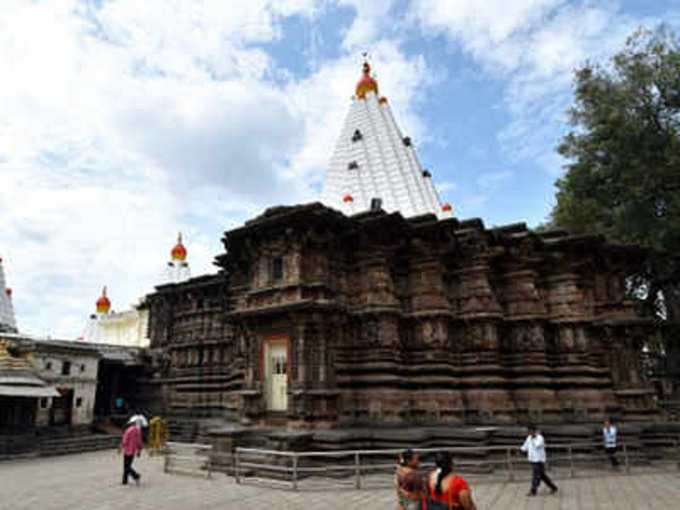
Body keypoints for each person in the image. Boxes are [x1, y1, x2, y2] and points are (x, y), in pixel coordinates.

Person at [521, 425, 558, 497]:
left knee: (536, 475)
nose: (530, 433)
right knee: (542, 475)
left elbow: (537, 445)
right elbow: (525, 446)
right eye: (529, 431)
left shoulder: (540, 438)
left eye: (531, 431)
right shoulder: (528, 438)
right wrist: (521, 450)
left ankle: (533, 490)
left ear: (535, 431)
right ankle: (553, 487)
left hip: (539, 460)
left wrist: (533, 438)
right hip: (532, 459)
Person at [120, 421, 143, 485]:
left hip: (127, 450)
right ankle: (125, 481)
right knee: (128, 465)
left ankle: (135, 475)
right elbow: (139, 442)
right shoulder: (138, 431)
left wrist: (121, 447)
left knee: (126, 466)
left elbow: (124, 440)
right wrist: (139, 450)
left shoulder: (128, 430)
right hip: (133, 451)